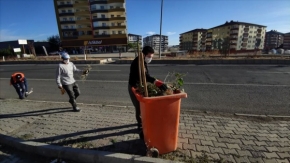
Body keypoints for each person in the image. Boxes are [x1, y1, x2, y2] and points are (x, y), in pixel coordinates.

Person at [128, 46, 168, 138]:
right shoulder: (137, 63)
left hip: (141, 86)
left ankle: (143, 122)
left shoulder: (143, 61)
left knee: (143, 107)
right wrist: (156, 82)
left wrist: (157, 81)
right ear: (144, 54)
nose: (150, 58)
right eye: (149, 56)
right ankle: (140, 125)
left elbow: (147, 75)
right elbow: (145, 76)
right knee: (139, 107)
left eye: (151, 57)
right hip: (134, 87)